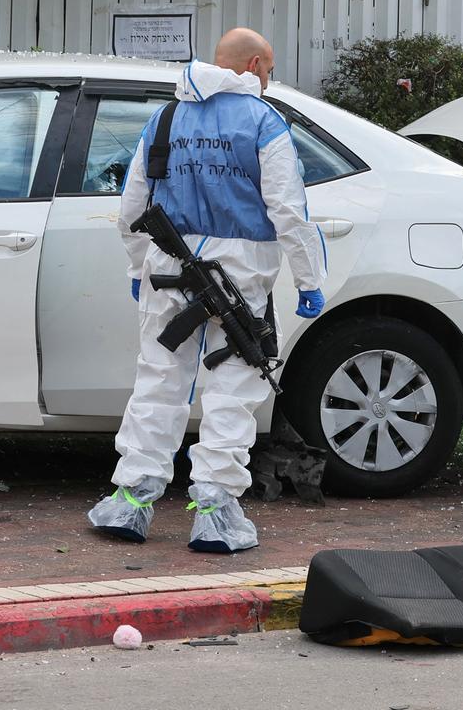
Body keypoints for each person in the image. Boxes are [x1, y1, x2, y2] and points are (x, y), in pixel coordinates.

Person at [88, 28, 329, 553]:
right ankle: (215, 514)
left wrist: (138, 269)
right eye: (269, 70)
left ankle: (130, 502)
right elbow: (289, 211)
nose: (269, 81)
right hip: (241, 275)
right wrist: (309, 280)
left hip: (169, 266)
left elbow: (132, 208)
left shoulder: (166, 118)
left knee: (158, 381)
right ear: (256, 65)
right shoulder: (263, 121)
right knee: (233, 390)